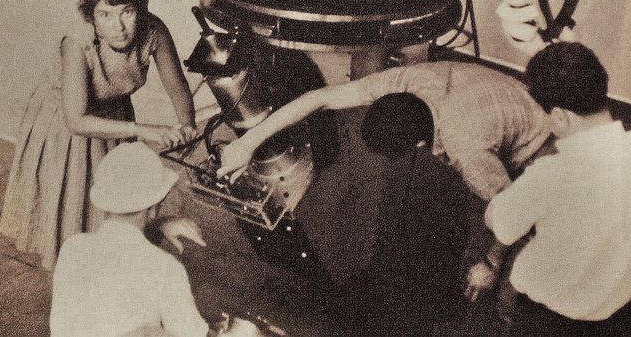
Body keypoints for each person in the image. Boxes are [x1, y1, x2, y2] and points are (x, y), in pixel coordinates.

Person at [215, 60, 552, 331]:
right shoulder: (408, 80)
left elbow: (513, 213)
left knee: (514, 268)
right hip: (506, 102)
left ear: (421, 145)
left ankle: (509, 316)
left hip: (543, 146)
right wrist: (247, 143)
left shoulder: (467, 149)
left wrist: (490, 264)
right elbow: (320, 98)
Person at [0, 0, 198, 269]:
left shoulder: (153, 30)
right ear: (92, 16)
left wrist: (187, 126)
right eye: (105, 15)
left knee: (117, 208)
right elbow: (76, 120)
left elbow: (177, 88)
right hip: (66, 124)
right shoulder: (77, 42)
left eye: (127, 12)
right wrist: (143, 130)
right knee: (71, 214)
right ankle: (74, 285)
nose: (118, 26)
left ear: (140, 11)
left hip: (115, 114)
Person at [480, 42, 631, 335]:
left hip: (549, 323)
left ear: (560, 116)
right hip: (621, 316)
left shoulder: (552, 174)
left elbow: (501, 224)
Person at [49, 142, 212, 337]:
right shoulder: (167, 269)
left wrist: (157, 224)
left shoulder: (73, 248)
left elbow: (121, 254)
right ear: (154, 206)